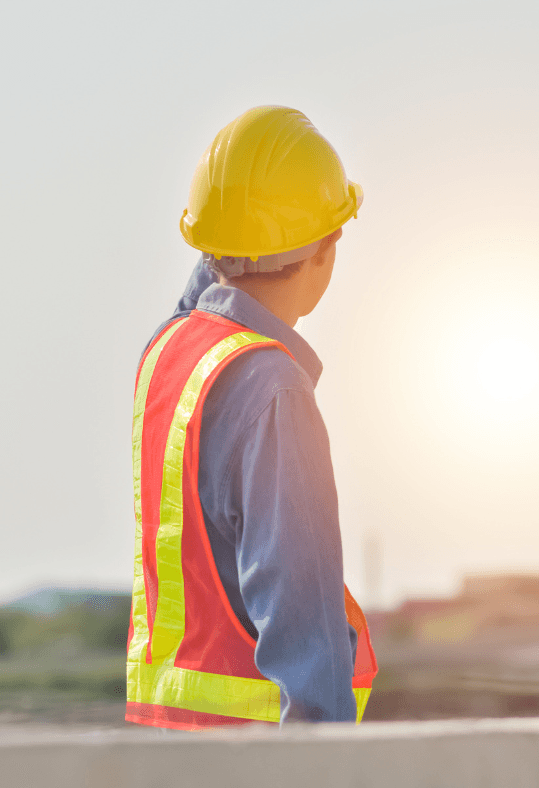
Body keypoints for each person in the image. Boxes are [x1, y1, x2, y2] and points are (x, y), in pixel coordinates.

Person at [127, 106, 377, 730]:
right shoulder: (274, 390)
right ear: (328, 248)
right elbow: (301, 629)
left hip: (163, 753)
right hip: (256, 758)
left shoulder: (169, 353)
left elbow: (203, 293)